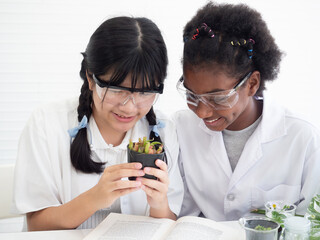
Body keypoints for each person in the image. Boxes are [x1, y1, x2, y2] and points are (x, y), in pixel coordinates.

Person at [12, 16, 183, 230]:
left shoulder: (164, 130)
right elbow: (37, 226)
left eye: (145, 92)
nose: (130, 107)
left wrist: (159, 203)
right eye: (117, 90)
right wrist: (95, 198)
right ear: (90, 78)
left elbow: (168, 225)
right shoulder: (46, 124)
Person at [174, 2, 320, 221]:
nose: (202, 112)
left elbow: (312, 225)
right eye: (192, 95)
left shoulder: (302, 137)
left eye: (218, 98)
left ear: (252, 83)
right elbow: (178, 211)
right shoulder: (180, 128)